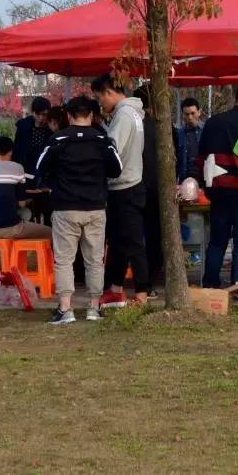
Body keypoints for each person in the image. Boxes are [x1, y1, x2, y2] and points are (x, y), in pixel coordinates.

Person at [37, 96, 122, 325]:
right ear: (91, 116)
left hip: (65, 207)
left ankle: (66, 309)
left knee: (64, 260)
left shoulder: (57, 139)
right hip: (95, 207)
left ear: (68, 116)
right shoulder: (103, 140)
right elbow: (117, 170)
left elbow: (39, 167)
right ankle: (94, 307)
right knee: (95, 260)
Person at [199, 81, 238, 304]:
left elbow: (201, 157)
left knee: (217, 241)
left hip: (220, 190)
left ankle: (210, 283)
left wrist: (205, 185)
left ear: (236, 97)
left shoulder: (213, 122)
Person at [91, 72, 149, 310]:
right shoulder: (133, 113)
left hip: (126, 185)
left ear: (108, 92)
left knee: (132, 242)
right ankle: (115, 289)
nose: (100, 103)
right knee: (118, 242)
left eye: (100, 97)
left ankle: (142, 292)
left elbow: (112, 149)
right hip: (127, 184)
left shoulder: (124, 115)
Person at [0, 137, 51, 244]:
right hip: (11, 228)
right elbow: (21, 204)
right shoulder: (17, 167)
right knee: (50, 232)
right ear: (10, 151)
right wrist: (33, 197)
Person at [134, 86, 168, 288]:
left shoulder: (133, 125)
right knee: (155, 235)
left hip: (135, 185)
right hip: (158, 187)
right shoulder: (162, 127)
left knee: (136, 235)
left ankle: (142, 279)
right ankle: (152, 277)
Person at [176, 97, 205, 183]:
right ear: (182, 114)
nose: (190, 117)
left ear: (199, 112)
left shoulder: (207, 130)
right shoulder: (179, 133)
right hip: (184, 181)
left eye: (193, 113)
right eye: (186, 114)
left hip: (203, 181)